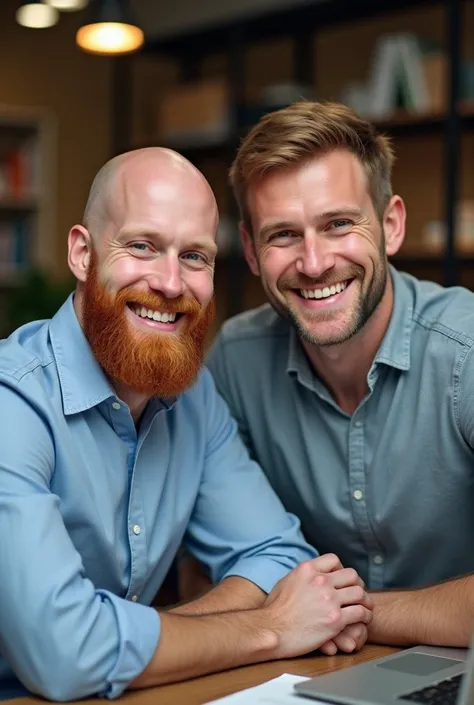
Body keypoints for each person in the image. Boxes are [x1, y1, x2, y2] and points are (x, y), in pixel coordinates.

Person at [0, 147, 373, 701]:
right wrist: (270, 627)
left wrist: (173, 635)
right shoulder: (13, 403)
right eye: (142, 246)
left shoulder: (190, 394)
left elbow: (280, 556)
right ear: (82, 253)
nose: (171, 284)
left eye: (195, 257)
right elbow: (65, 654)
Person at [191, 101, 474, 650]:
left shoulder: (465, 352)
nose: (315, 262)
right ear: (250, 251)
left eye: (338, 224)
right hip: (317, 673)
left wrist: (341, 614)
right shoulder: (236, 361)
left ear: (391, 225)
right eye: (283, 236)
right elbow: (211, 563)